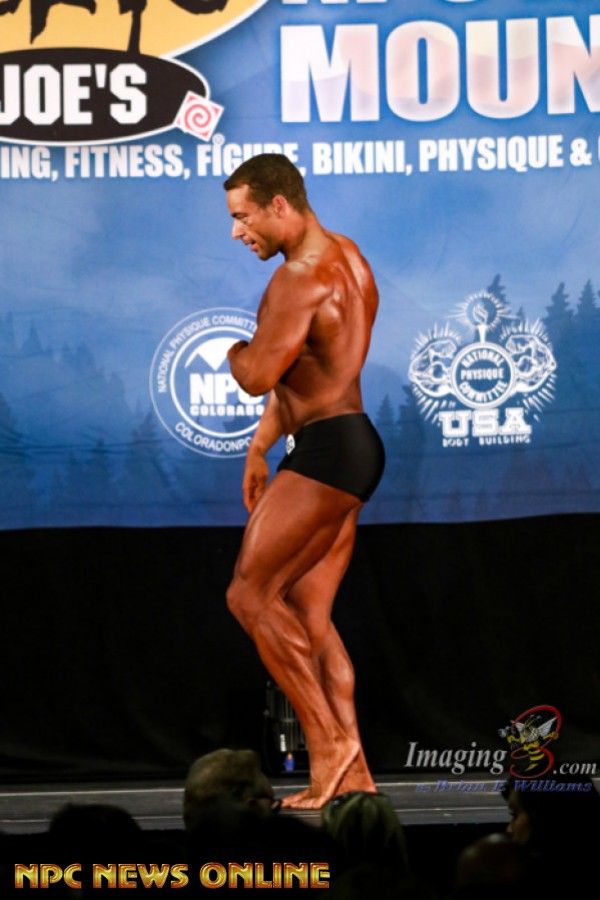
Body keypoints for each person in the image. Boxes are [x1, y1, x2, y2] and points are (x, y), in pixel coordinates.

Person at [223, 154, 385, 809]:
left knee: (250, 595)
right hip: (353, 444)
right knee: (311, 619)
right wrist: (260, 447)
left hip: (325, 454)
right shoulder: (349, 257)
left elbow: (259, 375)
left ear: (279, 205)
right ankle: (356, 772)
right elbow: (308, 375)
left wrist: (233, 350)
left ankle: (327, 743)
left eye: (243, 217)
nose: (237, 232)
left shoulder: (297, 279)